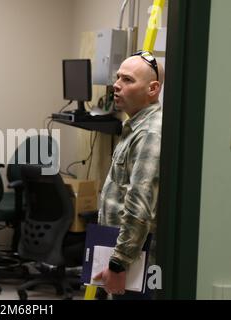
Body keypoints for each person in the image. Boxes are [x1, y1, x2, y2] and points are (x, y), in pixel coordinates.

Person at [93, 51, 165, 300]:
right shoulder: (134, 127)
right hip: (120, 253)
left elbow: (139, 207)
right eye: (118, 77)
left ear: (152, 88)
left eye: (128, 79)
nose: (117, 84)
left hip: (135, 262)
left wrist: (118, 263)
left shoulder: (150, 134)